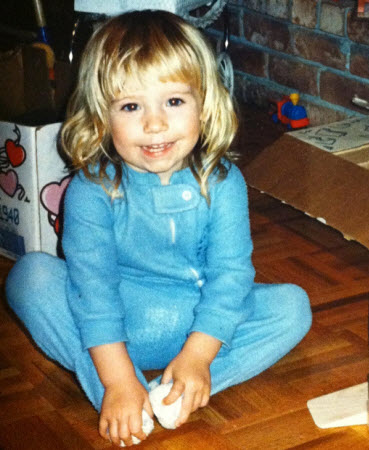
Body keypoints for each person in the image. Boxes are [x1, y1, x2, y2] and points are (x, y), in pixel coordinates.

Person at [5, 10, 311, 447]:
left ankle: (178, 391)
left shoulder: (223, 183)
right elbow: (93, 293)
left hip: (196, 322)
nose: (154, 124)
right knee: (30, 276)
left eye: (173, 101)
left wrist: (198, 354)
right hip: (112, 328)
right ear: (101, 117)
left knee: (292, 308)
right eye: (131, 106)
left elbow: (231, 277)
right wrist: (116, 378)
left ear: (203, 106)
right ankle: (118, 388)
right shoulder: (90, 191)